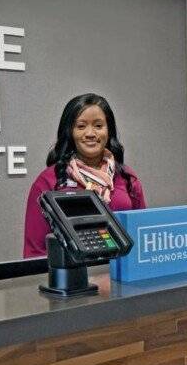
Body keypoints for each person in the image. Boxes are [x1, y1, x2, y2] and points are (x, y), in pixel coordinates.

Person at [23, 93, 146, 257]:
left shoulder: (127, 178)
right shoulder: (48, 181)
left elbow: (143, 236)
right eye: (81, 126)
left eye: (98, 126)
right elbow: (35, 251)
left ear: (108, 131)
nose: (90, 133)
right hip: (73, 279)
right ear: (70, 132)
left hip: (123, 277)